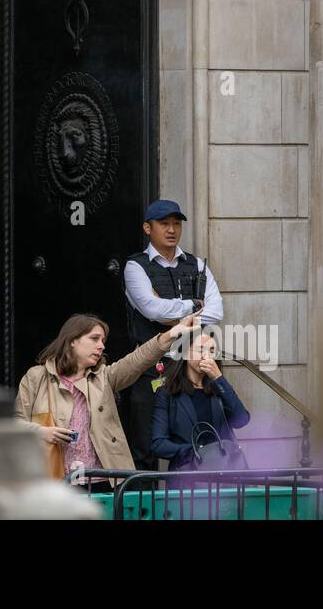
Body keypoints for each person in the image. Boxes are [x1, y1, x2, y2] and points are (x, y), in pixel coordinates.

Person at [15, 312, 199, 485]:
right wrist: (41, 432)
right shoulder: (36, 377)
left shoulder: (105, 377)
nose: (101, 346)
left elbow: (139, 359)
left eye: (103, 341)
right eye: (94, 338)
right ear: (72, 340)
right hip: (55, 481)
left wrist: (172, 333)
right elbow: (13, 423)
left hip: (104, 480)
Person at [122, 199, 224, 467]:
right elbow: (152, 309)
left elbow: (216, 312)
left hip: (192, 366)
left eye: (176, 224)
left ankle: (197, 504)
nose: (172, 229)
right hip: (150, 366)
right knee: (146, 446)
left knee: (200, 441)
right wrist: (194, 305)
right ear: (147, 227)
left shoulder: (198, 265)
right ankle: (144, 508)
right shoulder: (136, 267)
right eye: (164, 223)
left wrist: (173, 314)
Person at [151, 328, 250, 469]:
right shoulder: (168, 393)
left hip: (223, 474)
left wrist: (218, 378)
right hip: (187, 476)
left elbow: (241, 419)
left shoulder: (219, 388)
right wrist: (197, 451)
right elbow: (158, 445)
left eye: (211, 351)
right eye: (200, 349)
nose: (206, 356)